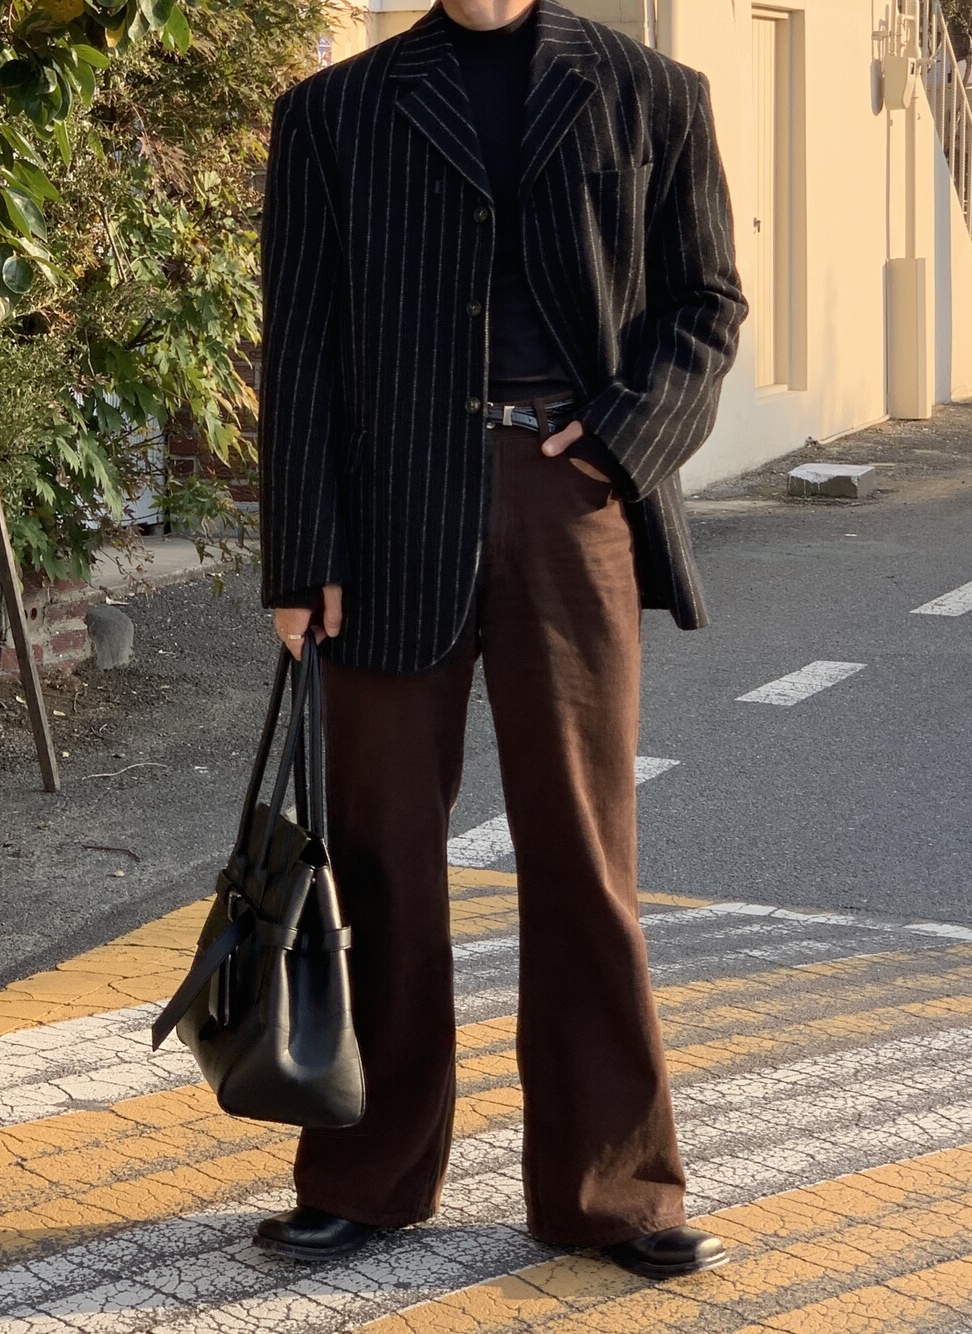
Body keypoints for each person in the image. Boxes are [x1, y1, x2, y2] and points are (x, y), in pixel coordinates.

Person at [253, 0, 748, 1280]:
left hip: (568, 498)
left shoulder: (654, 93)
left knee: (583, 853)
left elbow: (705, 305)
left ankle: (613, 1189)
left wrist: (623, 437)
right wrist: (300, 556)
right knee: (379, 859)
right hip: (385, 518)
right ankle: (362, 1177)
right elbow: (297, 341)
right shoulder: (332, 113)